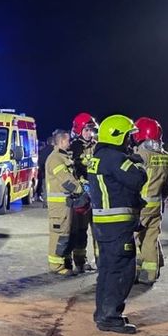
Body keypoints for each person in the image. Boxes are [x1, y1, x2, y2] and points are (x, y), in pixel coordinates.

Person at [85, 114, 147, 334]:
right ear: (118, 137)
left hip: (104, 223)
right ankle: (110, 317)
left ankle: (102, 312)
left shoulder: (99, 156)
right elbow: (137, 180)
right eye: (128, 137)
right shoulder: (115, 158)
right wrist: (138, 164)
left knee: (107, 269)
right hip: (117, 225)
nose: (130, 141)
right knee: (122, 270)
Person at [131, 117, 168, 285]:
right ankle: (149, 273)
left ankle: (131, 273)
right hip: (157, 205)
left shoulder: (140, 155)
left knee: (131, 239)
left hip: (141, 205)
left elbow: (133, 181)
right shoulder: (166, 156)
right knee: (150, 238)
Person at [44, 130, 87, 275]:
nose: (70, 143)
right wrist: (81, 189)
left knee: (69, 233)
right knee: (60, 233)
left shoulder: (63, 157)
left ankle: (65, 263)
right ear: (62, 141)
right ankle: (56, 266)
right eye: (68, 140)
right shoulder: (55, 158)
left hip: (67, 203)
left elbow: (72, 176)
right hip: (59, 205)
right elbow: (66, 179)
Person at [70, 114, 98, 272]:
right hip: (81, 195)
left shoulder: (98, 146)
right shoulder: (73, 147)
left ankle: (100, 261)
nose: (89, 133)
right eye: (86, 130)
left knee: (98, 230)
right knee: (80, 230)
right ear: (79, 130)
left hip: (97, 194)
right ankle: (80, 262)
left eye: (91, 130)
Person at [36, 130, 63, 207]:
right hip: (55, 173)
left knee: (45, 188)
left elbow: (40, 161)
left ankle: (45, 203)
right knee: (54, 189)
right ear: (53, 142)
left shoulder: (43, 150)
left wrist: (41, 170)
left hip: (45, 173)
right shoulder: (55, 150)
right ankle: (54, 203)